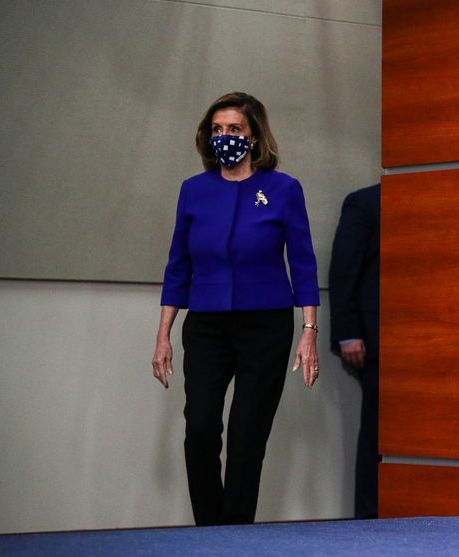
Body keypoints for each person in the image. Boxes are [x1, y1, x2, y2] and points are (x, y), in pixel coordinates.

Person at [151, 92, 320, 526]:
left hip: (265, 325)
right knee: (202, 429)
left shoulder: (283, 189)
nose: (224, 137)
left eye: (234, 129)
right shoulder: (194, 190)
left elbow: (302, 261)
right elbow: (178, 265)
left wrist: (309, 332)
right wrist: (163, 336)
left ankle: (236, 534)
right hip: (206, 324)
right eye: (217, 130)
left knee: (247, 435)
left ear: (254, 135)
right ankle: (209, 530)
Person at [328, 183, 380, 519]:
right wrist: (347, 333)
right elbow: (343, 270)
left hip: (424, 340)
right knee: (377, 433)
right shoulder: (364, 202)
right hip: (375, 340)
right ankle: (370, 516)